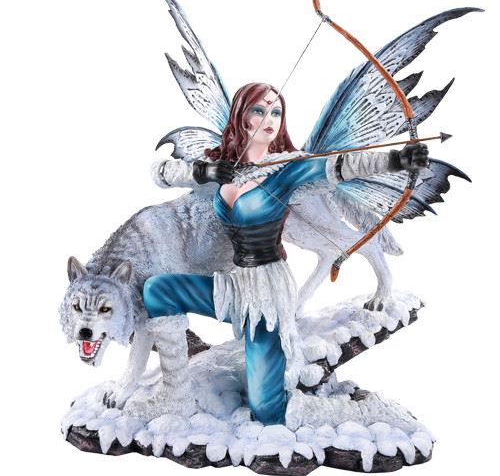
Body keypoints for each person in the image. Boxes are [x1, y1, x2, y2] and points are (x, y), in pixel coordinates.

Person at [144, 82, 428, 425]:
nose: (270, 119)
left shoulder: (287, 168)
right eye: (259, 110)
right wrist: (204, 171)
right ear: (242, 116)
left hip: (266, 296)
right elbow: (160, 173)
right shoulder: (223, 166)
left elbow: (342, 165)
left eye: (276, 112)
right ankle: (175, 392)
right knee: (158, 290)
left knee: (267, 411)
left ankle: (357, 411)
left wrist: (397, 159)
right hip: (233, 287)